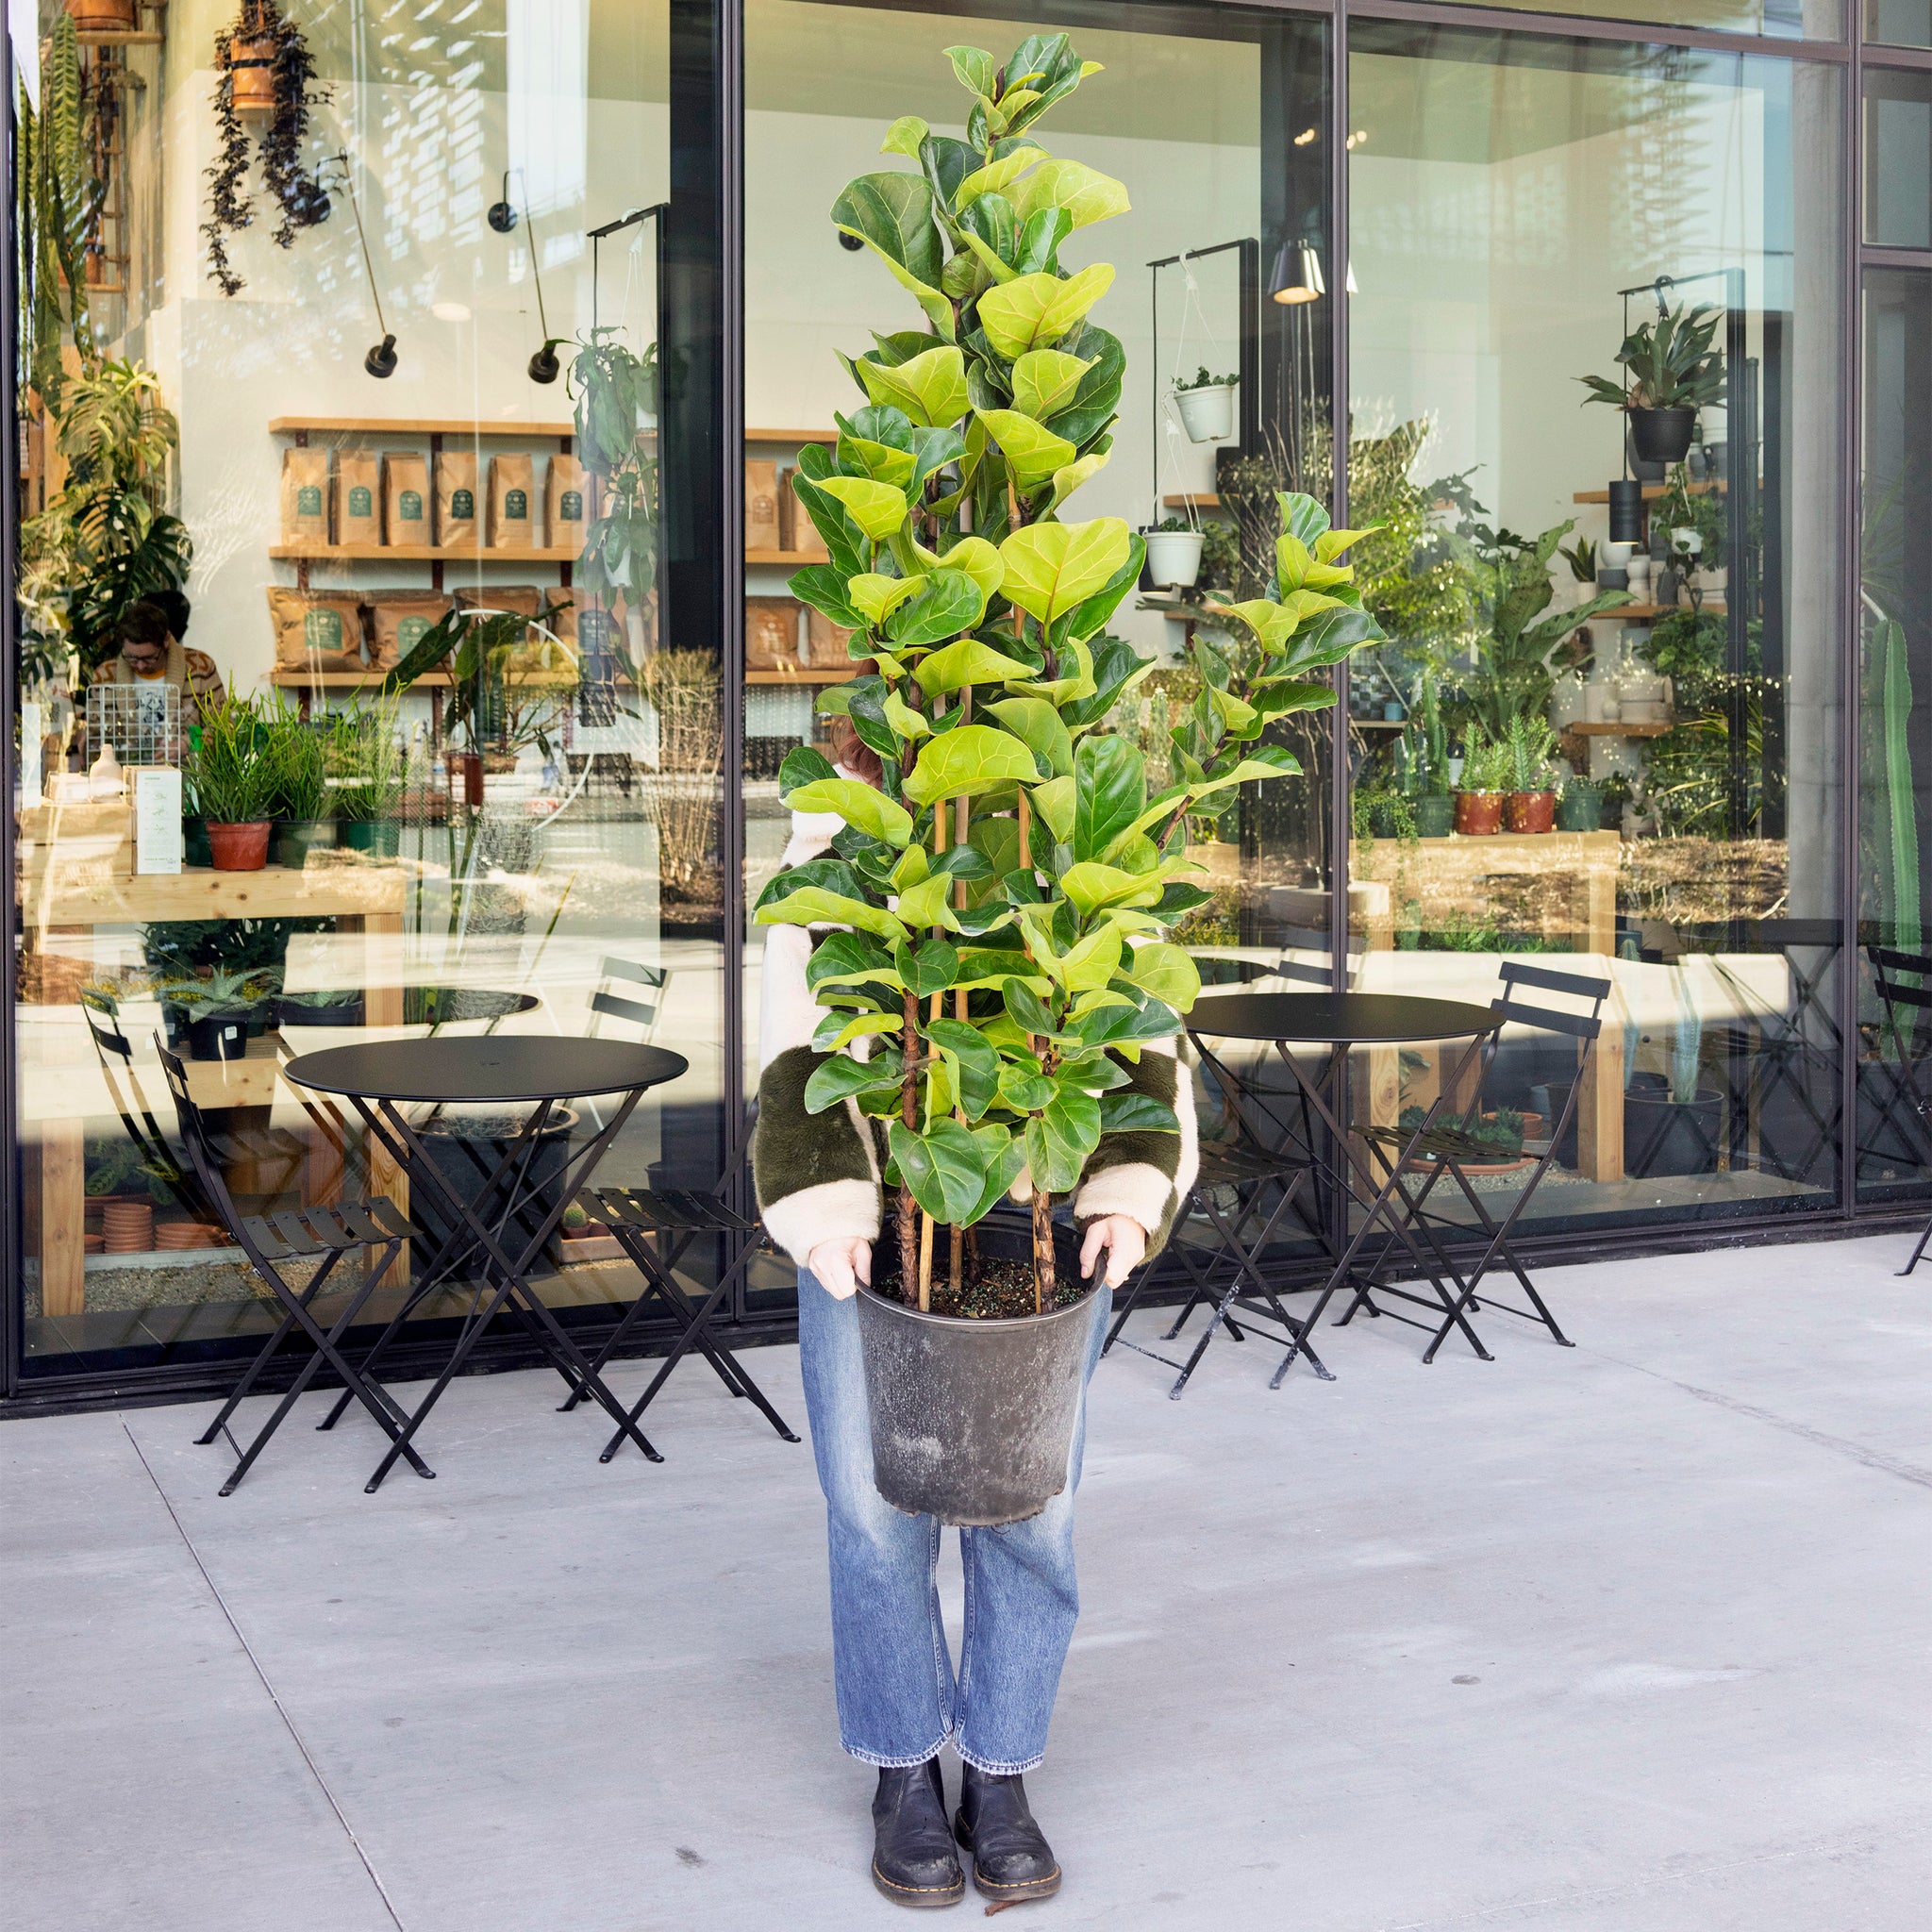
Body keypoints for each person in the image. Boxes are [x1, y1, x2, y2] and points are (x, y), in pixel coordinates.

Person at [753, 717, 1199, 1909]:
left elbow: (1139, 1028)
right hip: (876, 1222)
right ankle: (903, 1767)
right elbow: (799, 1040)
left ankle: (997, 1771)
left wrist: (1124, 1188)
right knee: (869, 1501)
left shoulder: (1072, 815)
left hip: (1033, 1218)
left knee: (1029, 1506)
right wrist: (827, 1204)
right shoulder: (848, 825)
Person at [89, 596, 225, 730]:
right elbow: (95, 734)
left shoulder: (200, 668)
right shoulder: (105, 677)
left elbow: (223, 728)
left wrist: (188, 744)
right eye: (132, 658)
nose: (140, 666)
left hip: (188, 752)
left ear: (166, 640)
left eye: (149, 658)